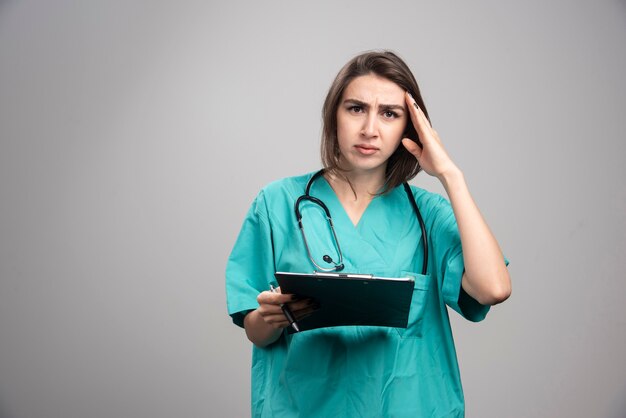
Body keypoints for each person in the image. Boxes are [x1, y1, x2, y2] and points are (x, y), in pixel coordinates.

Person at [225, 50, 511, 417]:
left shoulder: (430, 215)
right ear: (334, 116)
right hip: (305, 407)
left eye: (389, 114)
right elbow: (255, 329)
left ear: (410, 128)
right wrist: (267, 319)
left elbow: (493, 289)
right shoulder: (277, 203)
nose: (369, 130)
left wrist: (450, 175)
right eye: (356, 108)